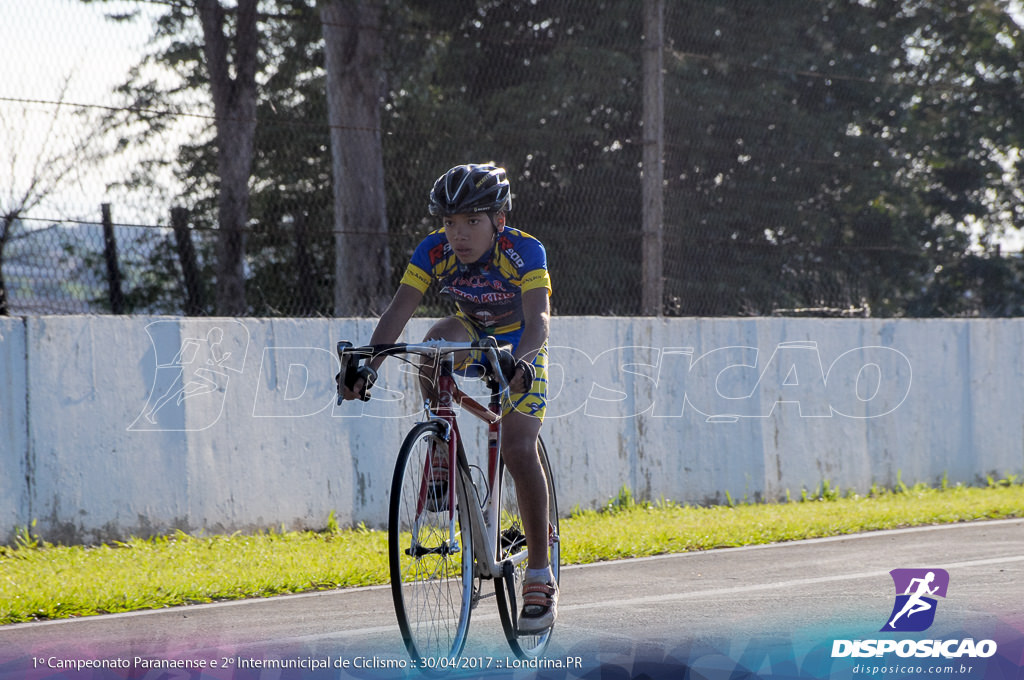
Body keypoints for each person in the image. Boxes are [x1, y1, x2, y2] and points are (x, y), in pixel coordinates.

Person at [340, 163, 557, 633]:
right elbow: (400, 310)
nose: (458, 235)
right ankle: (442, 448)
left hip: (519, 345)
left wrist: (521, 362)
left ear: (499, 220)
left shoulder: (524, 251)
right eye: (450, 223)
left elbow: (539, 319)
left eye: (472, 222)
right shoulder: (434, 252)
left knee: (519, 447)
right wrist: (368, 367)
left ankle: (539, 574)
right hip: (473, 332)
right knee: (435, 342)